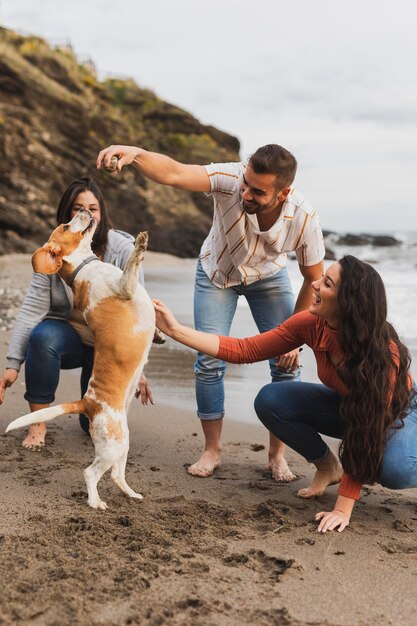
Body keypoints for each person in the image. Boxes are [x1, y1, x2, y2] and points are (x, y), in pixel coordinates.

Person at [96, 144, 325, 480]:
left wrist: (295, 336)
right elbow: (174, 172)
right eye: (246, 183)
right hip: (217, 274)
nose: (246, 193)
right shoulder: (230, 178)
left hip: (269, 278)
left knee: (287, 364)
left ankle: (277, 455)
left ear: (283, 192)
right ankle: (212, 450)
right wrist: (136, 154)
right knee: (208, 361)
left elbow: (314, 280)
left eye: (258, 191)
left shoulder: (304, 218)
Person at [153, 255, 416, 533]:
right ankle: (328, 467)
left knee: (394, 470)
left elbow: (366, 429)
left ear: (348, 302)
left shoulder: (384, 355)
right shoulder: (311, 324)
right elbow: (245, 350)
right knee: (273, 400)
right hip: (349, 407)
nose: (314, 284)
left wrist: (342, 508)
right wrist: (175, 330)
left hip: (400, 413)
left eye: (326, 283)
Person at [0, 177, 153, 449]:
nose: (87, 214)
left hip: (106, 346)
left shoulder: (120, 248)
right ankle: (38, 424)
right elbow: (31, 310)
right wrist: (12, 365)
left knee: (90, 425)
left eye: (93, 209)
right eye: (78, 208)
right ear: (67, 214)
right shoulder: (53, 252)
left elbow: (138, 310)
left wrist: (138, 368)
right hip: (67, 336)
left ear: (102, 213)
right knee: (43, 336)